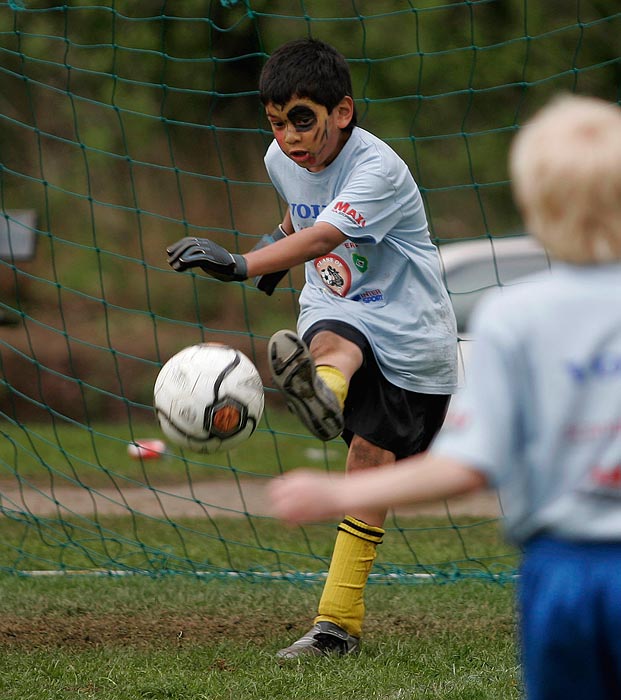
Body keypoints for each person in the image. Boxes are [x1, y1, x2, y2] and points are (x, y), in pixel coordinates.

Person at [269, 94, 621, 698]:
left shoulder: (512, 317)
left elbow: (468, 467)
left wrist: (336, 493)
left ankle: (329, 392)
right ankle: (328, 386)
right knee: (342, 352)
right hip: (355, 316)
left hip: (564, 572)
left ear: (532, 204)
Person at [166, 38, 458, 659]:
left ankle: (325, 393)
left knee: (369, 466)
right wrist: (273, 246)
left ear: (342, 113)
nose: (291, 137)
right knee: (331, 334)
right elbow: (303, 220)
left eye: (303, 119)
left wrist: (243, 263)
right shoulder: (281, 156)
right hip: (336, 301)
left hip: (410, 330)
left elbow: (326, 232)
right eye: (277, 122)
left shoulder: (378, 169)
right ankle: (335, 626)